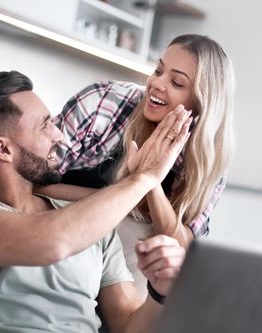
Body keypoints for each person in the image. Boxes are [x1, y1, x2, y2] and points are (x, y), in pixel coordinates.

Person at [0, 70, 190, 332]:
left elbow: (127, 325)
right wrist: (142, 179)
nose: (59, 135)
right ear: (3, 149)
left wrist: (160, 293)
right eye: (45, 125)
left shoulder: (95, 228)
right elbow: (53, 241)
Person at [43, 33, 235, 246]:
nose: (156, 84)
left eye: (177, 82)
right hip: (56, 223)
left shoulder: (209, 158)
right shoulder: (104, 101)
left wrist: (149, 180)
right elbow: (30, 183)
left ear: (202, 102)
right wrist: (130, 198)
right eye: (158, 71)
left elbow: (183, 244)